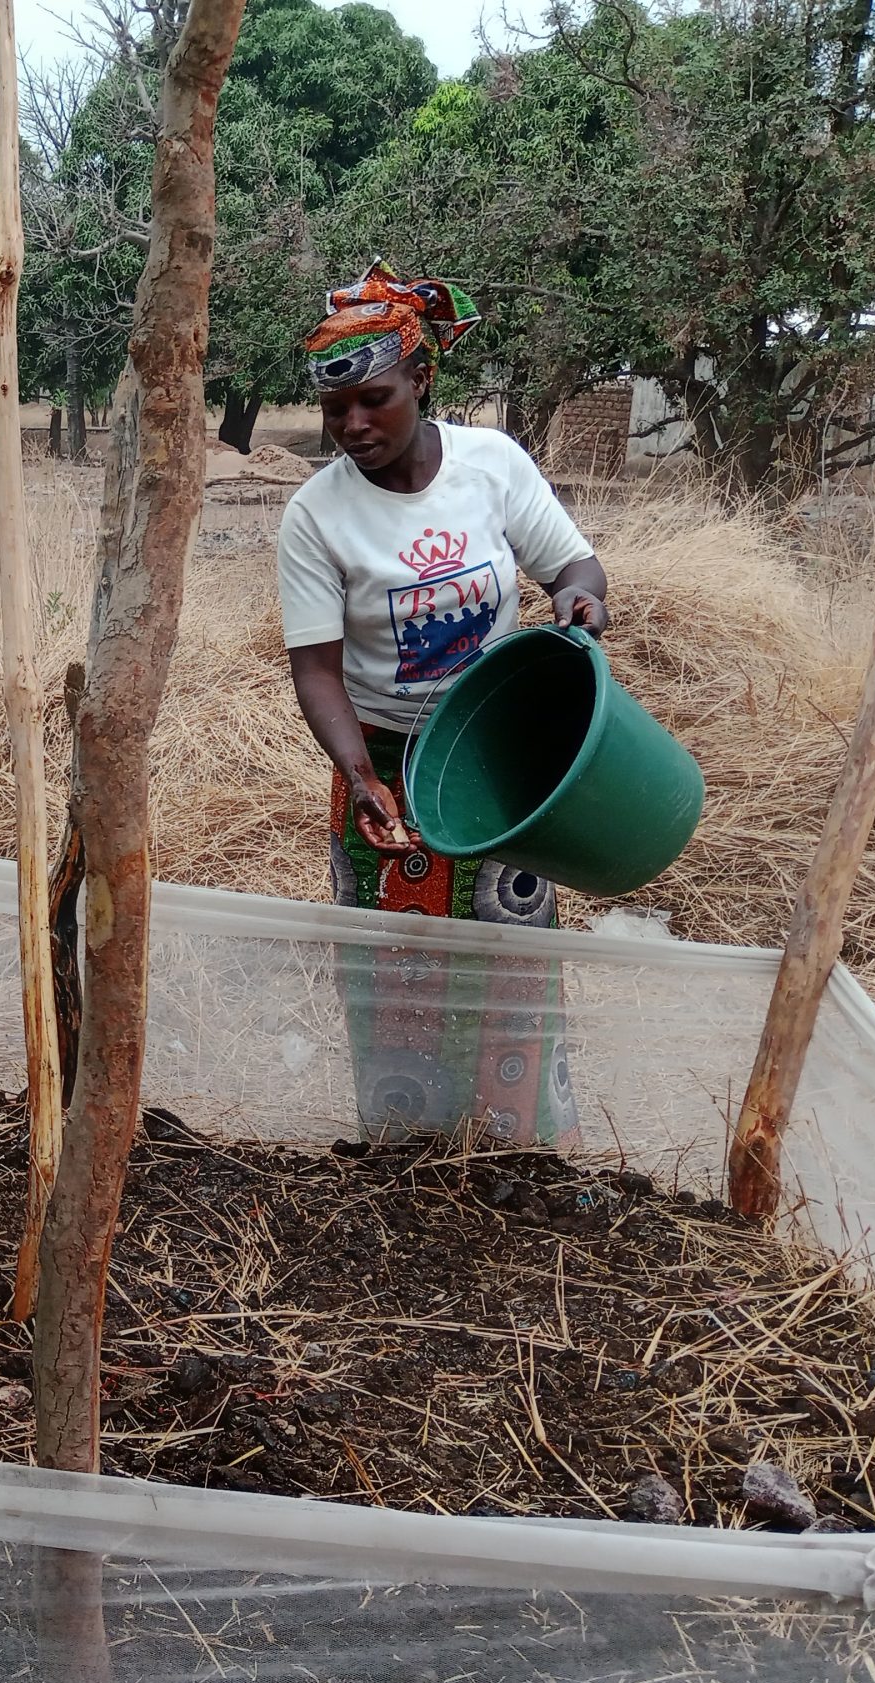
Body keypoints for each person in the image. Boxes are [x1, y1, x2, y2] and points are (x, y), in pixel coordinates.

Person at [276, 260, 610, 1143]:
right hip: (382, 762)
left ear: (422, 379)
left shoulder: (491, 466)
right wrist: (359, 775)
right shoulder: (316, 517)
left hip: (500, 757)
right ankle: (406, 1154)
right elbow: (316, 669)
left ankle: (516, 1143)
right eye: (333, 409)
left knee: (511, 950)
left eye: (374, 399)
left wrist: (582, 601)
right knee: (395, 968)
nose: (351, 425)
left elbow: (572, 565)